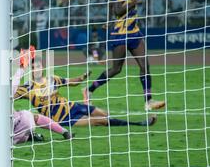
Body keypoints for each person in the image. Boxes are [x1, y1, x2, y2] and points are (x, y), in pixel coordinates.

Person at [83, 0, 165, 111]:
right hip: (120, 34)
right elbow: (117, 10)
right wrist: (132, 3)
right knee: (116, 69)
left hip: (134, 32)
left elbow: (110, 5)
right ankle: (89, 90)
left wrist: (107, 20)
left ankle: (148, 101)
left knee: (145, 66)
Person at [15, 47, 157, 128]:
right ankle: (139, 124)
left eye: (39, 66)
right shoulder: (27, 87)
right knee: (98, 121)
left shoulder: (52, 79)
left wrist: (82, 78)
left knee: (103, 114)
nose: (37, 70)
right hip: (63, 119)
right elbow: (10, 95)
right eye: (34, 68)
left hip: (73, 106)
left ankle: (124, 123)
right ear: (30, 70)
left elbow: (71, 82)